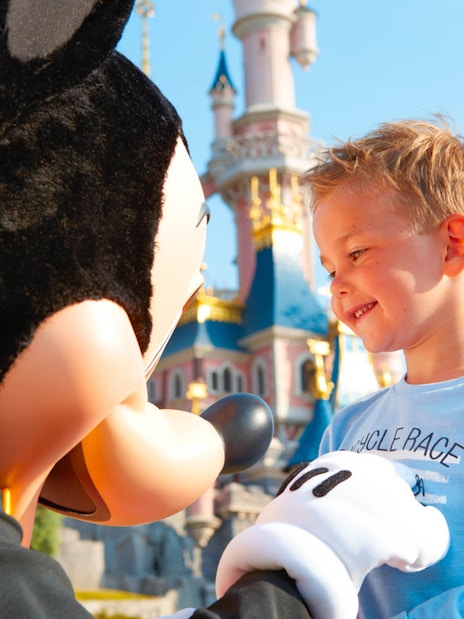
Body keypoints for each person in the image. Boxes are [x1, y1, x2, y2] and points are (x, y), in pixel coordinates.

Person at [298, 117, 464, 617]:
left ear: (452, 242)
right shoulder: (347, 427)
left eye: (357, 252)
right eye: (329, 269)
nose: (337, 286)